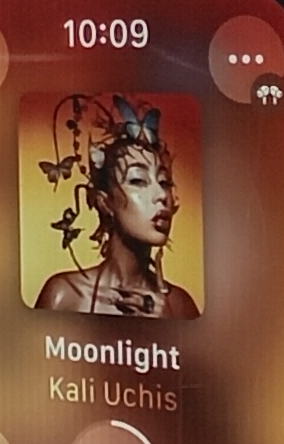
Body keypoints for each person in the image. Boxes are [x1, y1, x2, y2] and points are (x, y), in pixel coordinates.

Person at [35, 95, 201, 318]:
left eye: (164, 182)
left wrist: (168, 326)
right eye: (138, 180)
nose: (161, 195)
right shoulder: (65, 296)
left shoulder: (180, 307)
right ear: (105, 202)